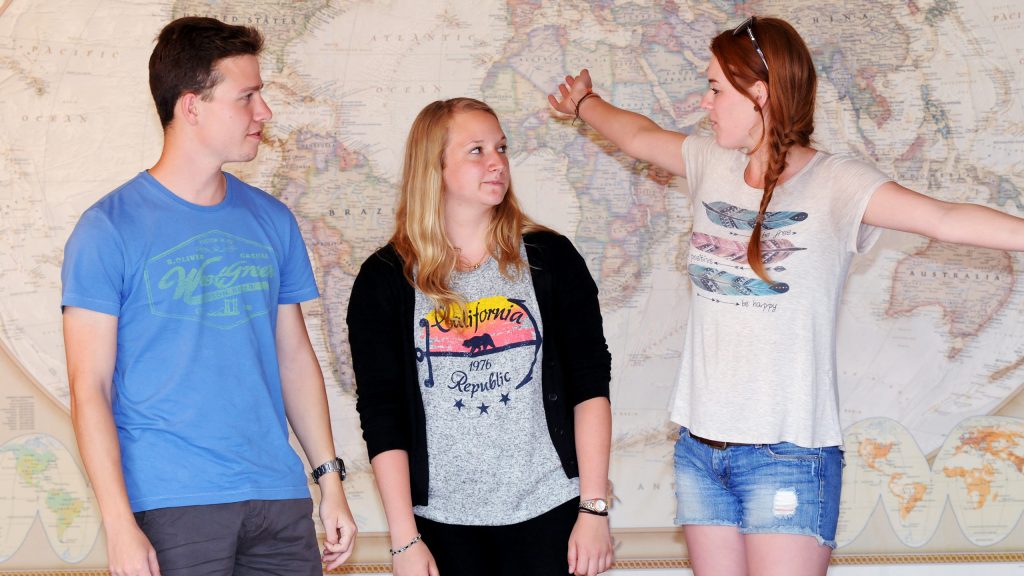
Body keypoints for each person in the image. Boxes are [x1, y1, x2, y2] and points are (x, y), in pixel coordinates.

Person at [549, 15, 1024, 576]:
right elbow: (637, 135)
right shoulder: (709, 163)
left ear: (761, 93)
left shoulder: (838, 184)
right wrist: (583, 103)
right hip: (701, 452)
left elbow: (944, 219)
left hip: (790, 456)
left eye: (715, 89)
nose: (705, 103)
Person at [61, 16, 356, 575]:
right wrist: (119, 524)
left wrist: (330, 480)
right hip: (172, 505)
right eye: (247, 97)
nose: (263, 112)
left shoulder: (272, 220)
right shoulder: (107, 229)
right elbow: (89, 387)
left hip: (278, 498)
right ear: (191, 106)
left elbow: (294, 358)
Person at [347, 97, 615, 576]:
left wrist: (593, 509)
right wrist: (403, 540)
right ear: (435, 166)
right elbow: (381, 413)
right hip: (439, 525)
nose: (498, 163)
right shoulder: (384, 278)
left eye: (502, 148)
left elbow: (590, 384)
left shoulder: (551, 259)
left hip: (550, 512)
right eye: (477, 150)